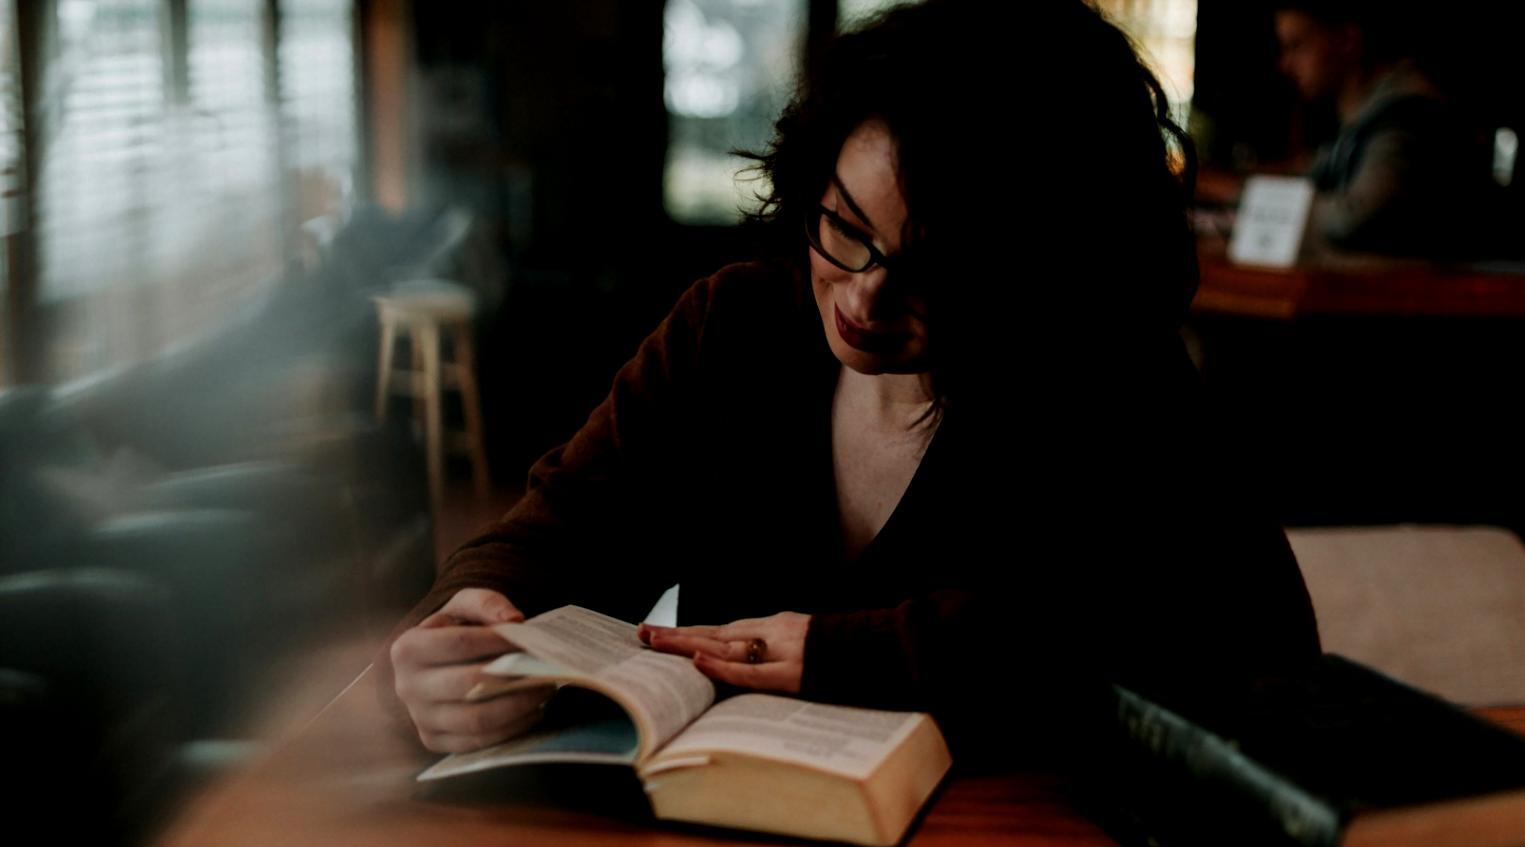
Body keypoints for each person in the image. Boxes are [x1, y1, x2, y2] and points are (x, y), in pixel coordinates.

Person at [384, 0, 1321, 767]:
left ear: (1046, 273)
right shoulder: (732, 328)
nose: (865, 297)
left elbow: (1236, 647)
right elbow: (561, 528)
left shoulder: (1109, 381)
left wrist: (849, 653)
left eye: (937, 272)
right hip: (713, 845)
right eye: (844, 226)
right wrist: (472, 617)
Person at [1274, 2, 1494, 256]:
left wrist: (1273, 208)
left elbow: (1355, 216)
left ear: (1347, 41)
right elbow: (1312, 171)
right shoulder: (1363, 120)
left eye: (1297, 46)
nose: (1285, 64)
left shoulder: (1406, 115)